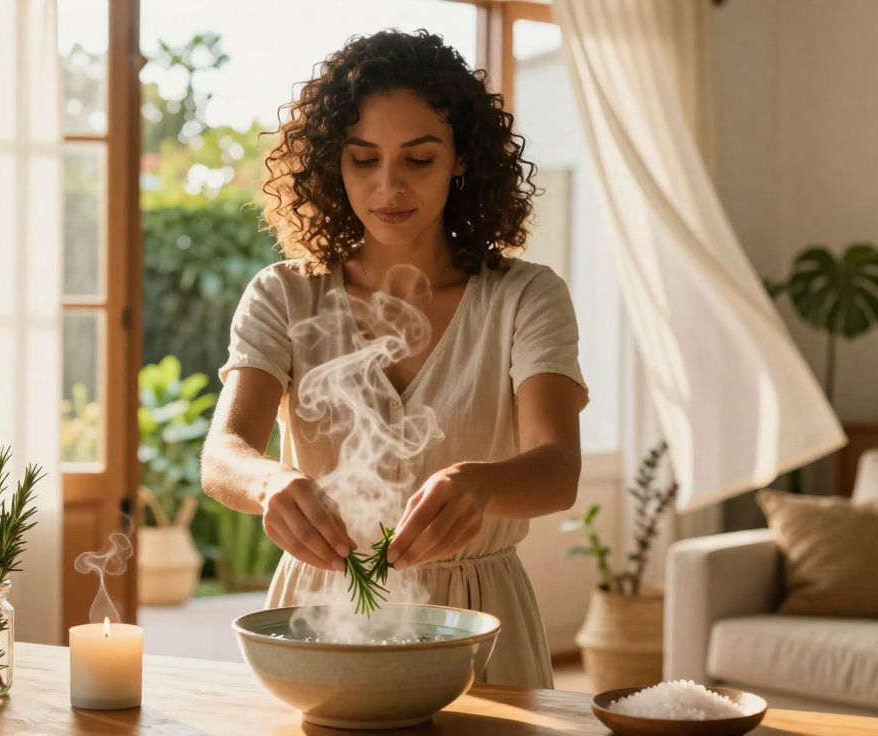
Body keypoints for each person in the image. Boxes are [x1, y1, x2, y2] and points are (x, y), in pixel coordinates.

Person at [200, 28, 588, 689]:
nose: (388, 186)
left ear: (461, 159)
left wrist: (482, 486)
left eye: (419, 158)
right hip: (322, 613)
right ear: (334, 163)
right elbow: (223, 454)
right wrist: (269, 484)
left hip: (478, 618)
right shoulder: (284, 295)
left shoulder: (526, 297)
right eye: (363, 159)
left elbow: (558, 470)